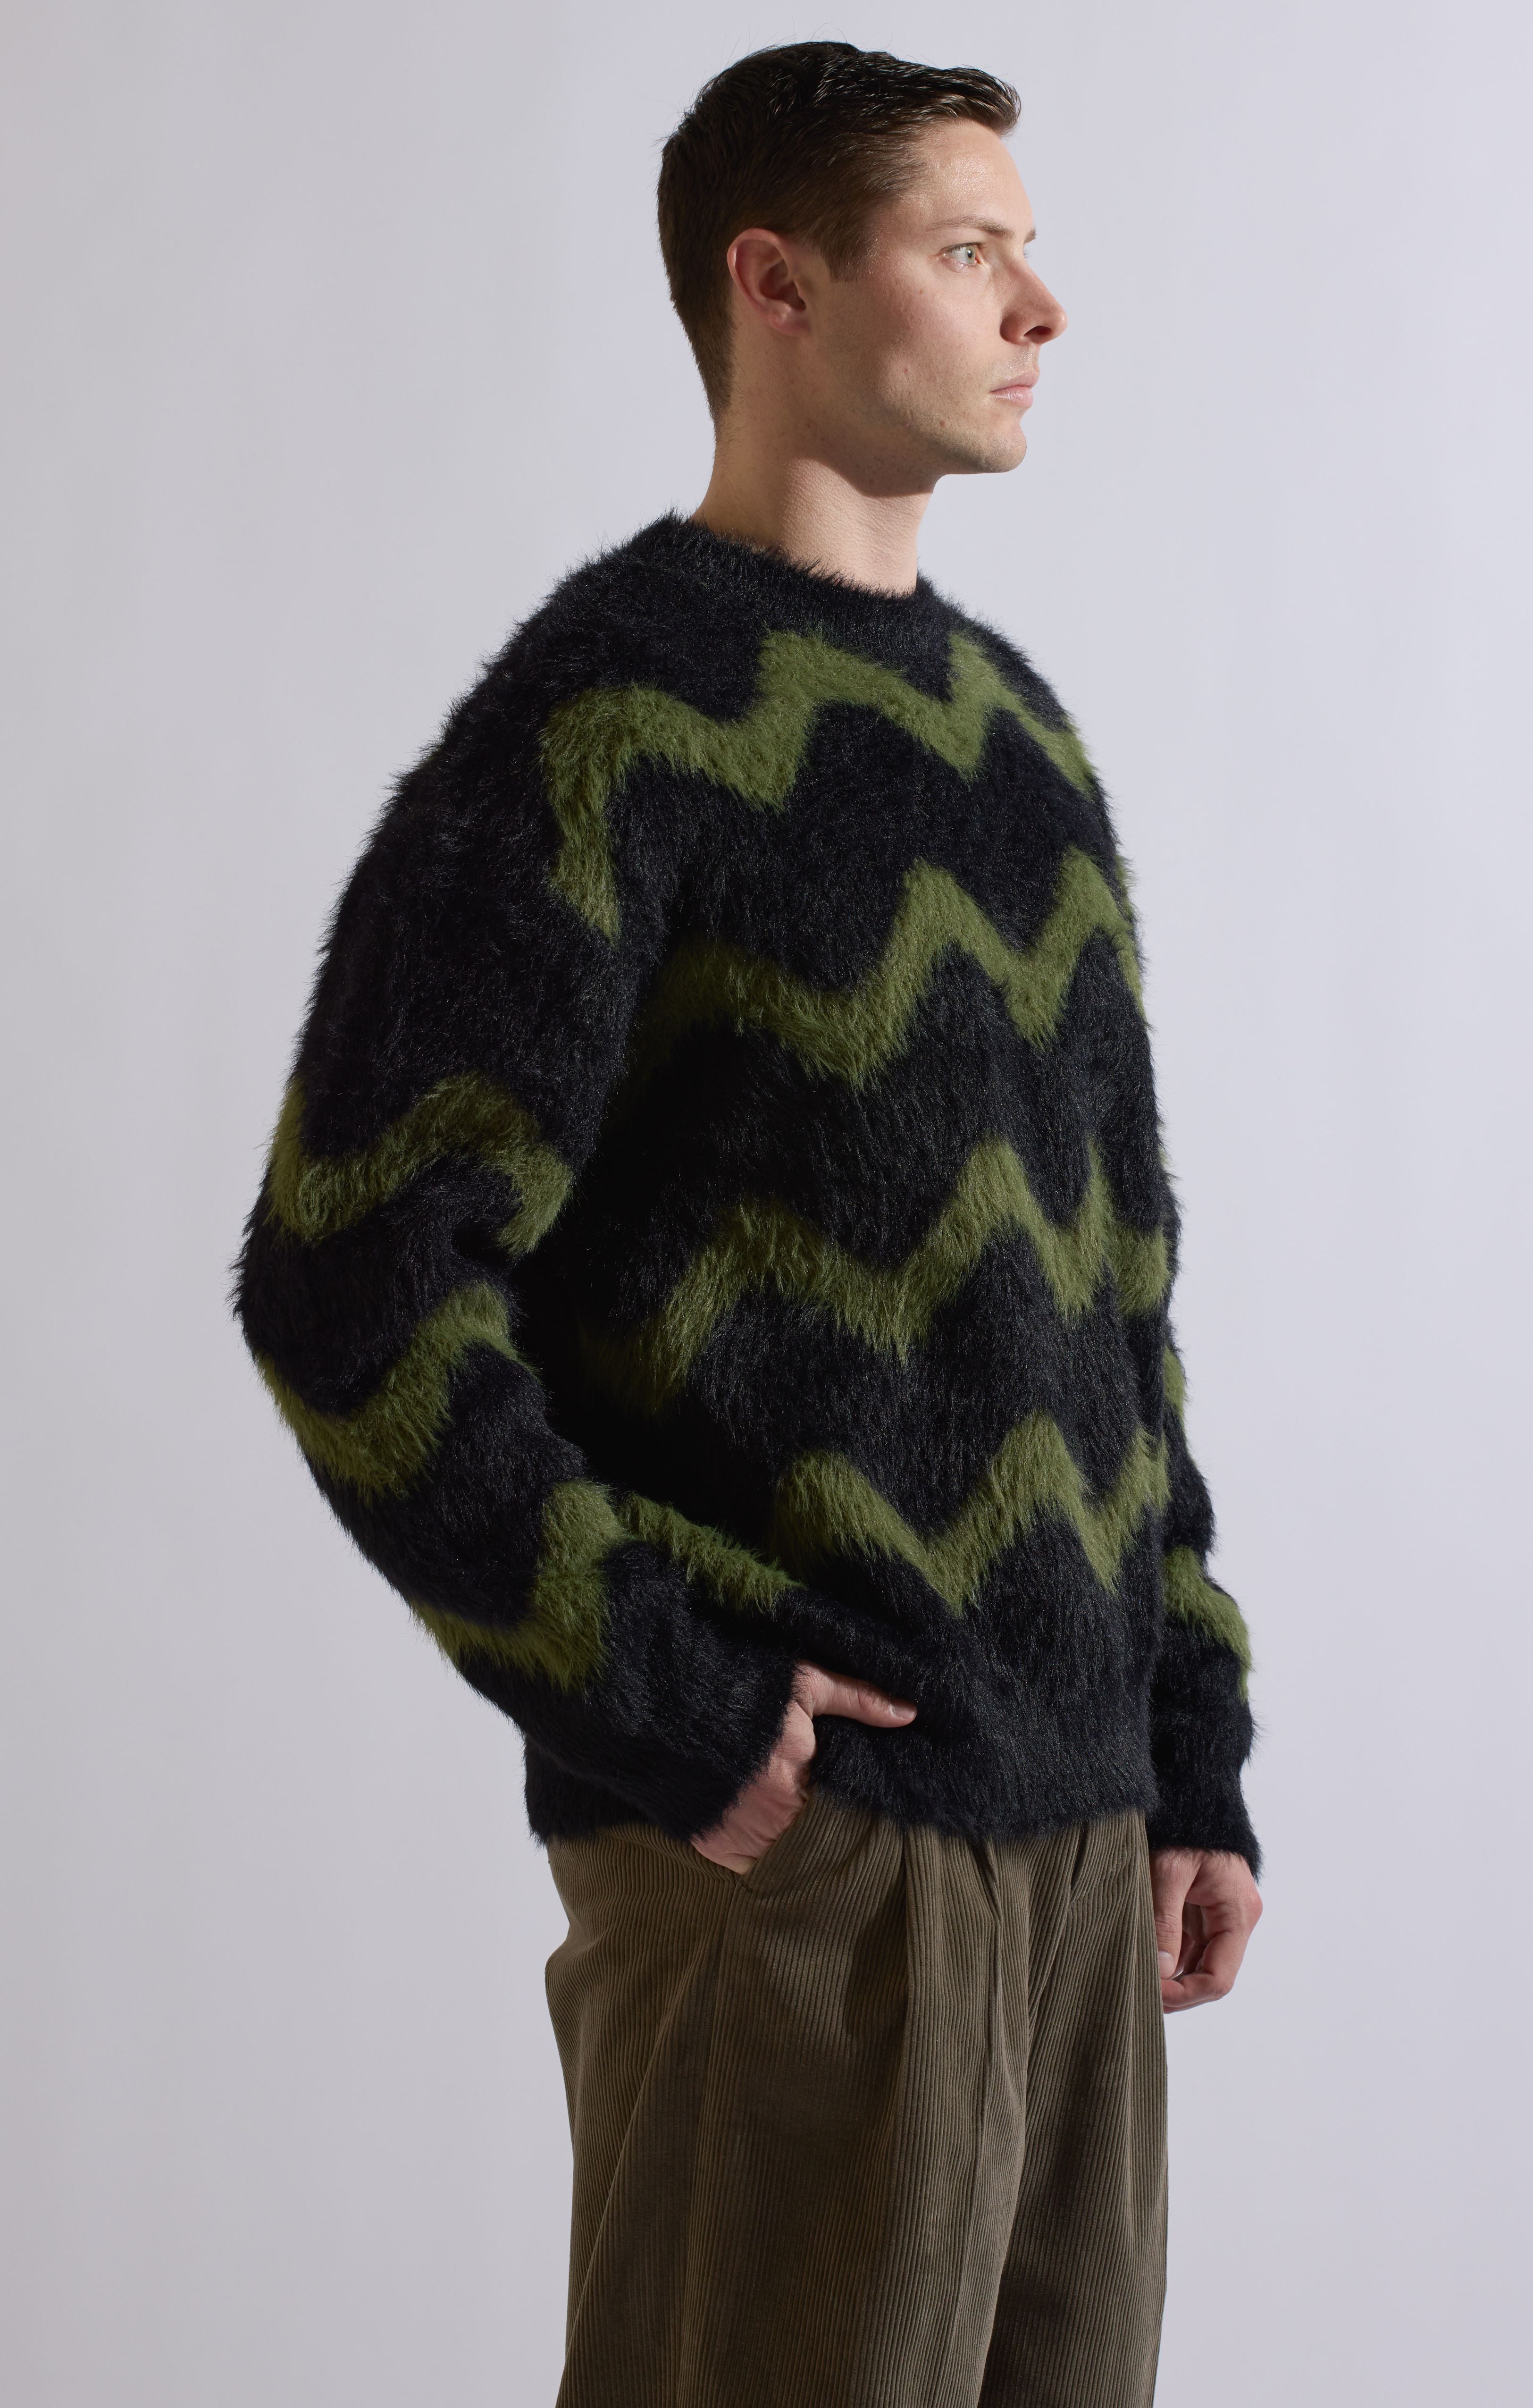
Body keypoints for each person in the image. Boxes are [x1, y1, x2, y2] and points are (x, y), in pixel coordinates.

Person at [235, 40, 1262, 2408]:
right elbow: (350, 1276)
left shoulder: (1017, 742)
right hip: (805, 1865)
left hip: (1080, 1840)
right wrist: (662, 1698)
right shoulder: (607, 719)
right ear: (776, 285)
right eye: (970, 251)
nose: (1039, 310)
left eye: (1029, 253)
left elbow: (1113, 1306)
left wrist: (1185, 1742)